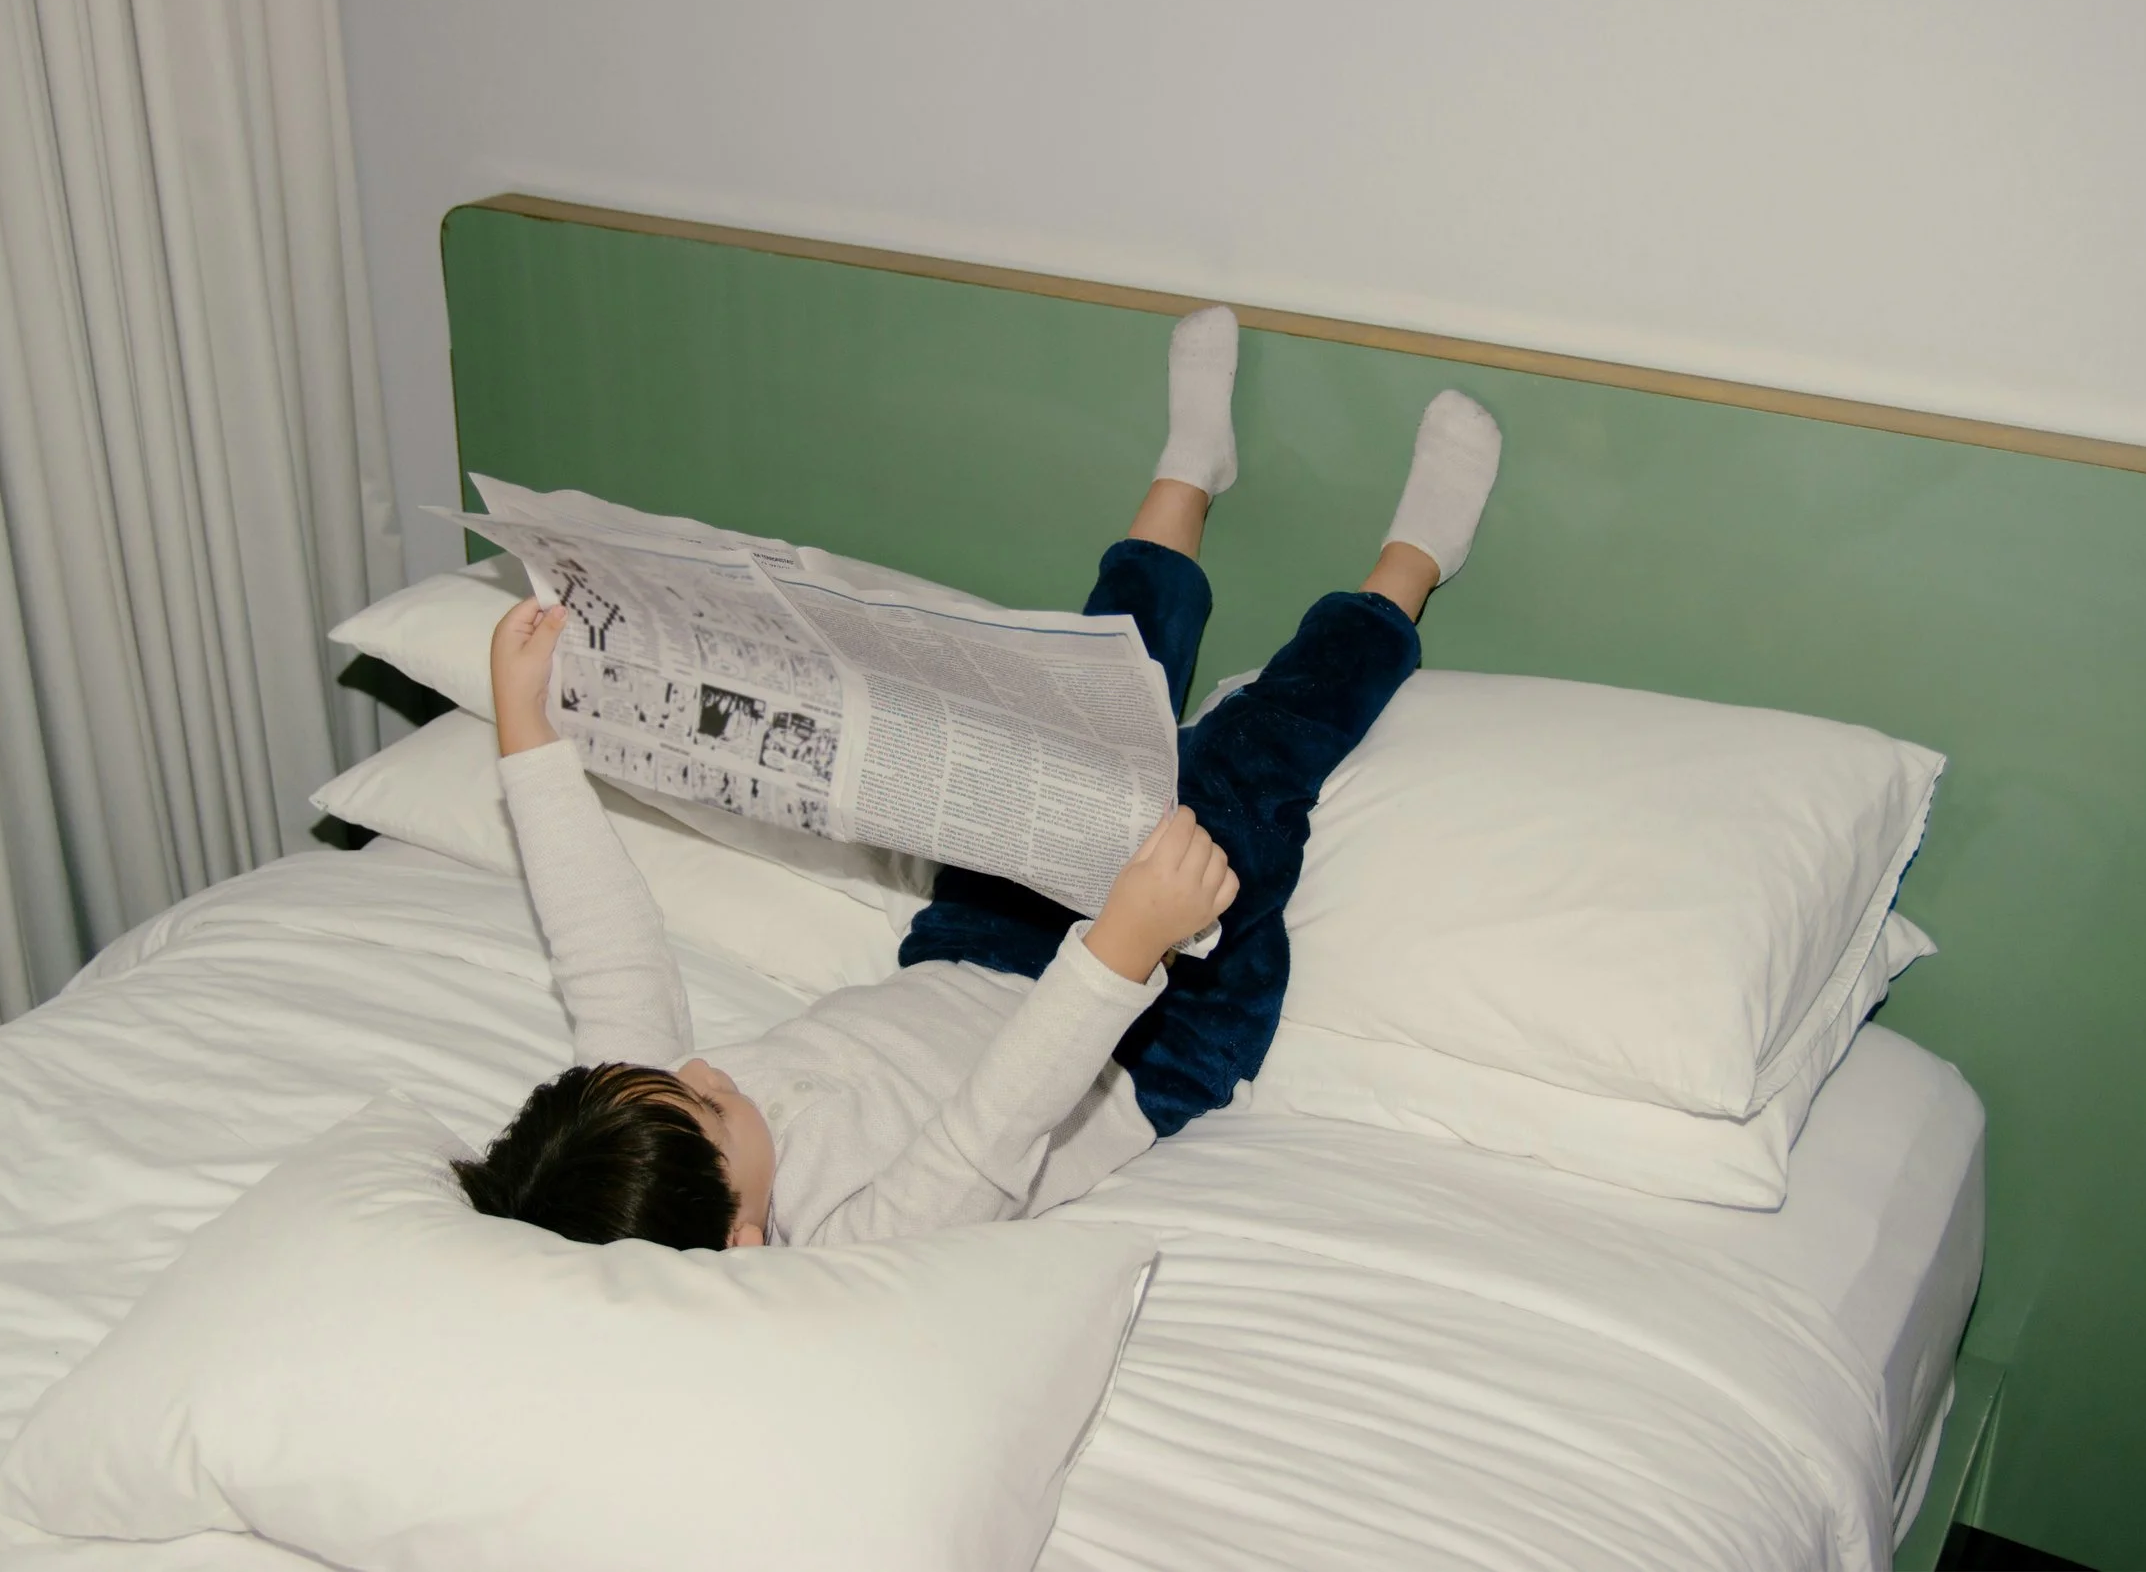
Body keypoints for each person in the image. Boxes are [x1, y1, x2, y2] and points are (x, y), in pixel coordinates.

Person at [456, 307, 1503, 1250]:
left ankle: (1183, 481)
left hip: (973, 949)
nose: (702, 1069)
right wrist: (1125, 940)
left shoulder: (641, 1137)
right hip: (1141, 1036)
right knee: (1238, 768)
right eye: (717, 1107)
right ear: (744, 1241)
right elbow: (993, 1121)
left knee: (1060, 713)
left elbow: (604, 952)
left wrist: (529, 735)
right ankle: (1406, 567)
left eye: (670, 1076)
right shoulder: (854, 1239)